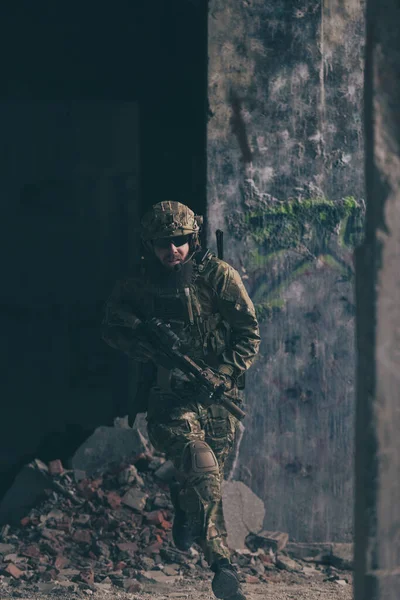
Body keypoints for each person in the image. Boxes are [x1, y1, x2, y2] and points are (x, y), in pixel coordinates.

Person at [102, 201, 260, 600]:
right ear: (149, 245)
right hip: (171, 400)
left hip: (216, 398)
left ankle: (185, 505)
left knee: (208, 486)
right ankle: (223, 568)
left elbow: (248, 335)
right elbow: (112, 326)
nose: (171, 250)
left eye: (179, 241)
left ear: (192, 239)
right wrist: (149, 352)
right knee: (201, 466)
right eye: (162, 243)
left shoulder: (218, 277)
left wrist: (222, 375)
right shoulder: (136, 285)